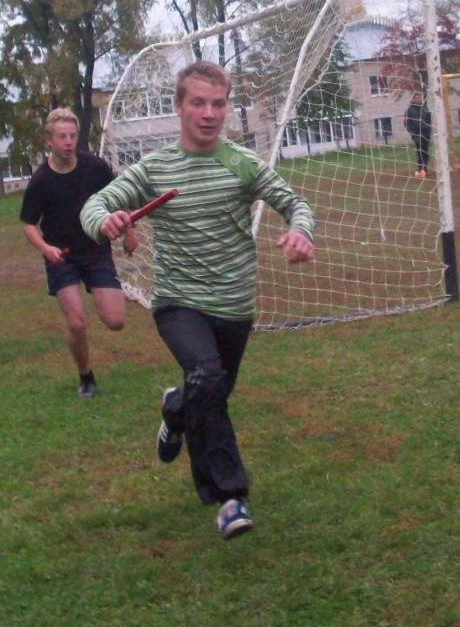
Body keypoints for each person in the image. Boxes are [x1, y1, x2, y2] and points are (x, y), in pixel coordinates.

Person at [81, 60, 315, 541]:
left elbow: (295, 203)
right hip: (179, 303)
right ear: (179, 107)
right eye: (198, 103)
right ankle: (229, 497)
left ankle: (176, 409)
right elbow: (95, 204)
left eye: (218, 104)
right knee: (207, 377)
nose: (209, 114)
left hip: (234, 306)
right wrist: (104, 221)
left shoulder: (241, 164)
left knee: (211, 394)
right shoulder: (157, 167)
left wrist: (300, 232)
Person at [20, 107, 136, 398]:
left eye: (72, 135)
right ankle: (86, 376)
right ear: (49, 141)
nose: (68, 142)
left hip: (96, 252)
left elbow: (120, 198)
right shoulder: (41, 180)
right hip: (62, 257)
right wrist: (46, 248)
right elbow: (28, 225)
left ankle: (99, 297)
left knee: (116, 321)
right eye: (62, 136)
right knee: (76, 322)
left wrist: (129, 232)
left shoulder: (95, 168)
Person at [404, 87, 433, 178]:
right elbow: (407, 123)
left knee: (426, 153)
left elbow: (428, 120)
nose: (418, 99)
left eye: (419, 98)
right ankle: (421, 169)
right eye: (416, 98)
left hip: (426, 134)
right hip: (417, 135)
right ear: (413, 99)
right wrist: (413, 133)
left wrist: (428, 129)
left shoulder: (424, 108)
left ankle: (424, 169)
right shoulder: (409, 110)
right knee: (420, 152)